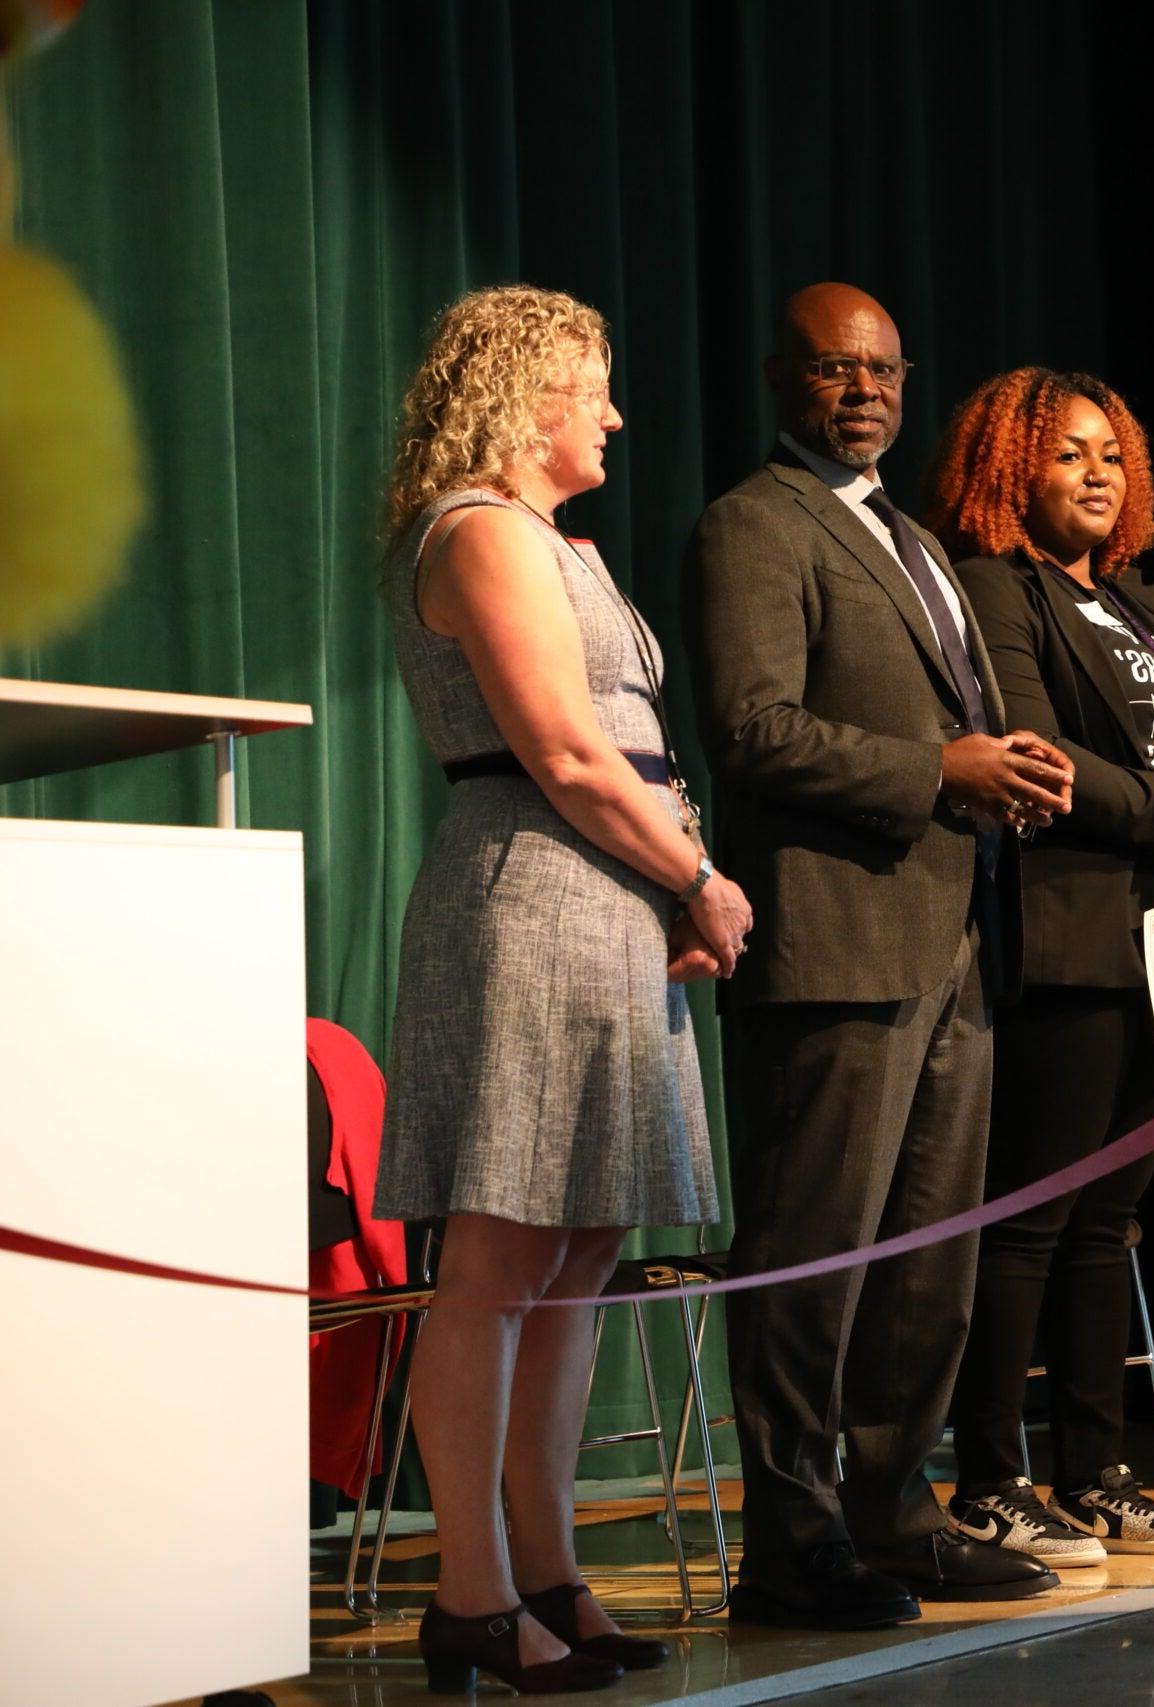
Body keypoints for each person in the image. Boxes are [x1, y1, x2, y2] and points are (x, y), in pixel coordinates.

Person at [377, 285, 752, 1695]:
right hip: (528, 898)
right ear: (520, 390)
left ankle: (548, 1571)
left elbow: (627, 755)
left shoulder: (554, 544)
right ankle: (471, 1595)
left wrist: (673, 880)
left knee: (582, 1250)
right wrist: (701, 879)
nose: (612, 412)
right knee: (497, 1257)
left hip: (606, 903)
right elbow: (571, 755)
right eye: (591, 385)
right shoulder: (474, 533)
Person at [683, 284, 1076, 1626]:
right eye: (836, 368)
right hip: (835, 943)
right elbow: (751, 726)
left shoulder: (910, 538)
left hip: (953, 937)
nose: (865, 389)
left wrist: (1003, 773)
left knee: (929, 1260)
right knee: (817, 1255)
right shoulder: (754, 523)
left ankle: (895, 1511)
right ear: (784, 377)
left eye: (886, 369)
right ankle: (791, 1542)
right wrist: (937, 767)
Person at [926, 368, 1154, 1564]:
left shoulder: (1141, 599)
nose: (1098, 472)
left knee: (1108, 1222)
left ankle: (1096, 1471)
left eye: (1110, 452)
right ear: (1015, 468)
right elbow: (1042, 752)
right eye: (1068, 454)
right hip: (1072, 933)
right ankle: (990, 1476)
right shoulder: (998, 590)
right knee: (1034, 1214)